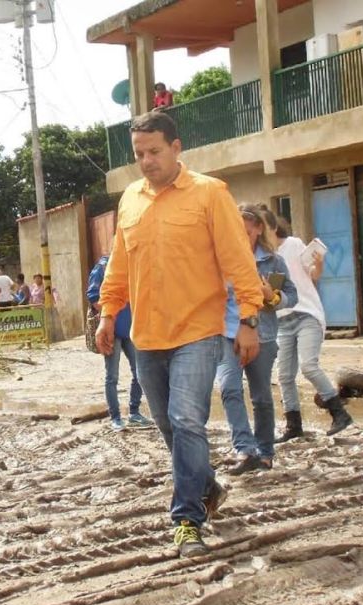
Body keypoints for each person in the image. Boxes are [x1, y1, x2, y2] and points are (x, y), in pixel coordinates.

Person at [95, 111, 264, 558]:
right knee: (169, 425)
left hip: (198, 329)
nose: (146, 161)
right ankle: (208, 485)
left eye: (154, 151)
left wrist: (248, 320)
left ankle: (187, 520)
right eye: (139, 154)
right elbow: (120, 264)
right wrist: (107, 313)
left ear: (176, 147)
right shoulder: (130, 199)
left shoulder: (210, 194)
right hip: (147, 334)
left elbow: (237, 260)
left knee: (188, 420)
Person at [217, 204, 298, 475]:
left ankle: (265, 452)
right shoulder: (219, 260)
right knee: (229, 388)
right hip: (226, 333)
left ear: (258, 229)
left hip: (262, 335)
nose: (240, 237)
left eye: (246, 231)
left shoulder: (274, 262)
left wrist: (270, 296)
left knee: (261, 396)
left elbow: (291, 296)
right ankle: (244, 449)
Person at [275, 217, 353, 440]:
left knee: (309, 366)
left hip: (306, 314)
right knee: (284, 376)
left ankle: (339, 413)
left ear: (269, 227)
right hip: (281, 320)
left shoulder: (293, 244)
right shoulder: (260, 255)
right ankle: (293, 426)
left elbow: (314, 274)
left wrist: (318, 263)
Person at [87, 254, 154, 432]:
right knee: (112, 376)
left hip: (131, 329)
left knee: (140, 373)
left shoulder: (133, 264)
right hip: (112, 332)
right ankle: (115, 418)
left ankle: (134, 412)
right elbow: (94, 297)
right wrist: (108, 318)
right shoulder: (102, 267)